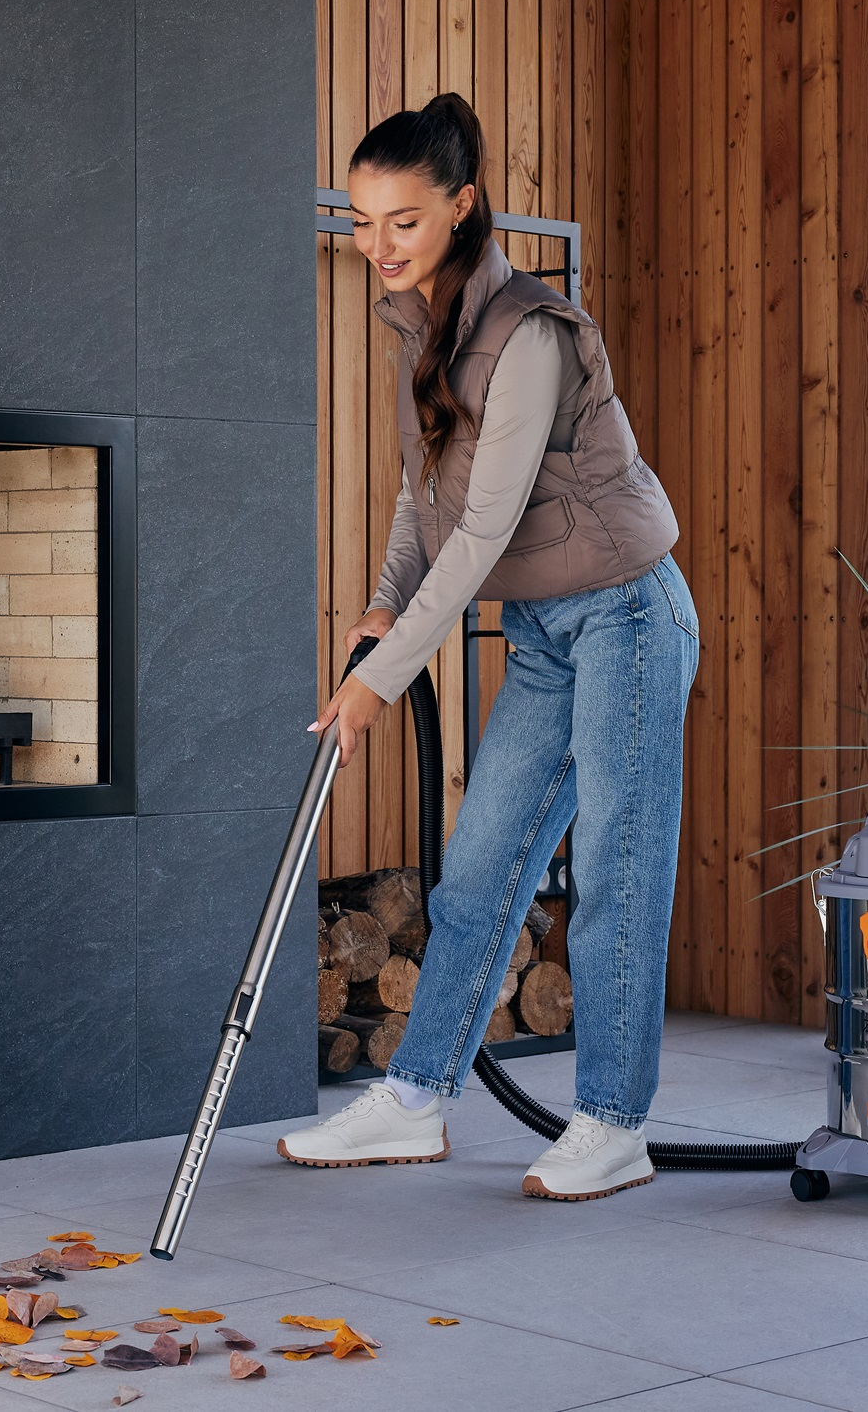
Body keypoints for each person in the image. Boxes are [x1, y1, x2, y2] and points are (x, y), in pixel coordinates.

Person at [278, 93, 699, 1201]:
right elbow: (421, 498)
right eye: (364, 221)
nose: (378, 245)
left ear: (461, 208)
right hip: (549, 632)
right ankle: (415, 1098)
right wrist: (382, 608)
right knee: (479, 866)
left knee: (614, 865)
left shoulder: (531, 334)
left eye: (402, 221)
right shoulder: (421, 321)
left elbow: (485, 525)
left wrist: (378, 680)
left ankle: (613, 1120)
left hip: (628, 616)